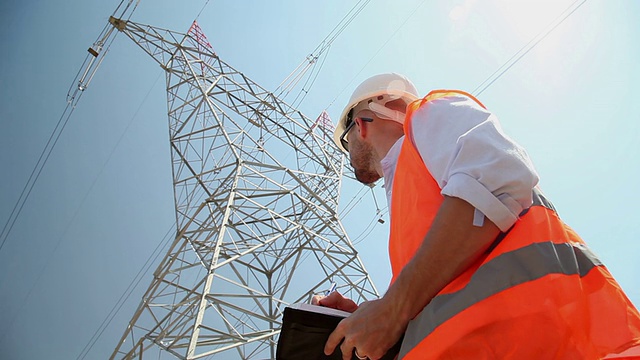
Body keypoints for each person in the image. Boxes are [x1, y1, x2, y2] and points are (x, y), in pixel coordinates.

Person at [313, 73, 640, 360]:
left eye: (346, 142)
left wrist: (395, 306)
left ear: (360, 124)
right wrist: (370, 320)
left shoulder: (428, 115)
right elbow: (443, 292)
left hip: (540, 344)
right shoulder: (407, 193)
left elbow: (498, 176)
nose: (349, 150)